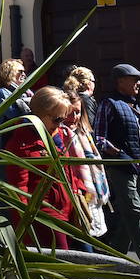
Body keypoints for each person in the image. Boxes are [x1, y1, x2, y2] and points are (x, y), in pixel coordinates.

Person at [95, 63, 140, 266]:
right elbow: (99, 137)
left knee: (131, 216)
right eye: (134, 79)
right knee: (134, 213)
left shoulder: (134, 105)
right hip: (121, 167)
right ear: (121, 81)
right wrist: (116, 152)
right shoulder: (108, 103)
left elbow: (139, 139)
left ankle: (115, 256)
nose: (139, 83)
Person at [4, 86, 75, 249]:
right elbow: (18, 189)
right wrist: (24, 225)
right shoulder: (21, 143)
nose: (60, 125)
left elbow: (68, 172)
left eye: (63, 119)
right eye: (57, 119)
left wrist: (77, 197)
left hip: (65, 210)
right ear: (39, 114)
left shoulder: (58, 135)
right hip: (42, 215)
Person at [57, 88, 108, 249]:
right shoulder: (59, 134)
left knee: (89, 237)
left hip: (90, 193)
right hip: (75, 195)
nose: (74, 117)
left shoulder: (84, 132)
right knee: (84, 241)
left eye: (78, 112)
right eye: (69, 113)